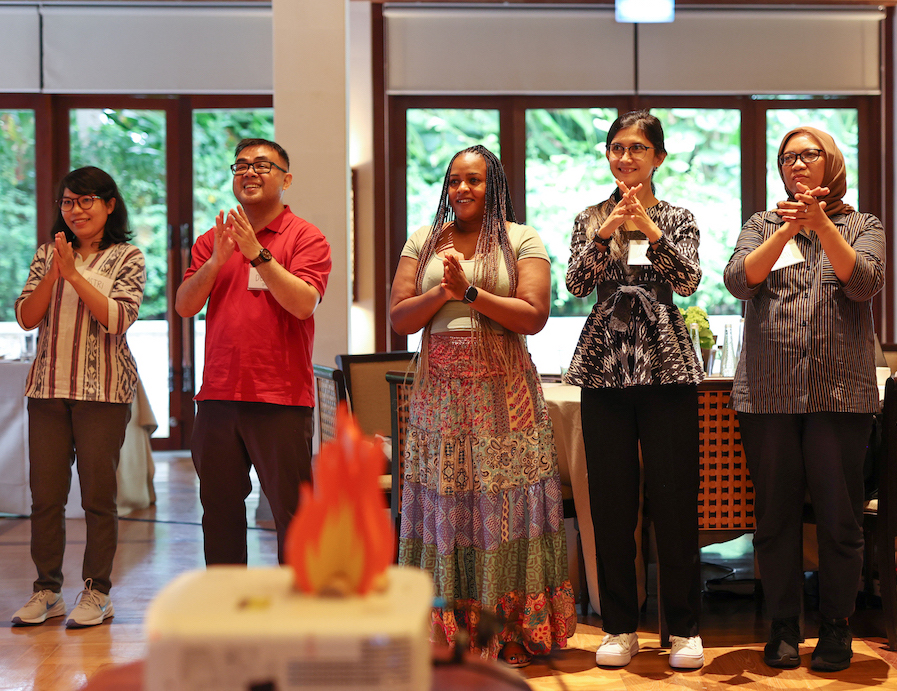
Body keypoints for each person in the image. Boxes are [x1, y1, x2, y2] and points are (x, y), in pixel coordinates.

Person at [390, 145, 576, 666]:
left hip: (505, 394)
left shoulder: (521, 239)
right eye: (454, 180)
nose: (462, 189)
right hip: (440, 395)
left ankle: (512, 630)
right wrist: (442, 294)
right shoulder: (424, 240)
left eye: (473, 179)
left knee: (507, 508)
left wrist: (470, 293)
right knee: (445, 506)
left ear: (493, 185)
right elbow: (400, 317)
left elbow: (533, 315)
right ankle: (447, 631)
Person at [724, 127, 885, 672]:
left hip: (840, 393)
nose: (797, 164)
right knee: (775, 518)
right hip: (769, 392)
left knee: (840, 516)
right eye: (788, 157)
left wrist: (821, 225)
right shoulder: (761, 224)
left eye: (808, 155)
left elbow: (864, 284)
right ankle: (783, 626)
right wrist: (790, 228)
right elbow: (738, 281)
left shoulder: (863, 225)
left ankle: (836, 625)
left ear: (830, 163)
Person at [564, 110, 705, 669]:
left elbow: (688, 280)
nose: (625, 157)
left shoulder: (678, 217)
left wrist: (648, 228)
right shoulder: (588, 218)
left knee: (675, 500)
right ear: (608, 154)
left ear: (658, 158)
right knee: (611, 502)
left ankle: (684, 630)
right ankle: (619, 627)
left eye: (638, 148)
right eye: (617, 148)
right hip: (605, 366)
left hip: (666, 364)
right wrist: (606, 232)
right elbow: (576, 284)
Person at [175, 138, 331, 566]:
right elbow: (185, 305)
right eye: (241, 165)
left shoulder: (306, 237)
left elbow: (304, 303)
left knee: (293, 516)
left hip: (280, 397)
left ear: (286, 179)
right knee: (220, 515)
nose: (249, 172)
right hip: (218, 396)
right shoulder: (212, 239)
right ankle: (228, 603)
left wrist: (257, 255)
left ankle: (298, 602)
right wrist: (216, 260)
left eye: (262, 165)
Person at [11, 167, 146, 628]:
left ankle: (97, 592)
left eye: (87, 200)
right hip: (48, 389)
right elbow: (26, 317)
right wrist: (55, 273)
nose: (76, 210)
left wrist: (74, 274)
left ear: (109, 205)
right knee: (46, 497)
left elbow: (118, 319)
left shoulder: (127, 256)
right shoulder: (48, 253)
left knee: (98, 497)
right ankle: (47, 590)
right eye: (68, 201)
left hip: (102, 393)